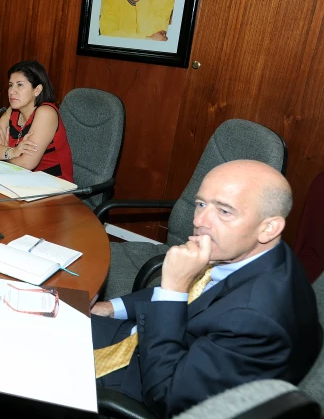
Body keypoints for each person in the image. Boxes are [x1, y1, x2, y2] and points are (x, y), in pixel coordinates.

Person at [91, 160, 321, 418]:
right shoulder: (251, 251)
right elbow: (198, 291)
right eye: (201, 204)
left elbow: (165, 396)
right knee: (48, 312)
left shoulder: (256, 320)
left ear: (269, 228)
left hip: (146, 382)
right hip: (145, 338)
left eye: (224, 211)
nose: (200, 221)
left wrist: (173, 287)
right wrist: (111, 308)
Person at [0, 61, 73, 182]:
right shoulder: (12, 111)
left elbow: (26, 163)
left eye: (20, 85)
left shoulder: (46, 113)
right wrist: (12, 152)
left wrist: (0, 154)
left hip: (54, 187)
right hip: (20, 180)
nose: (12, 91)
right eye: (10, 85)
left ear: (37, 90)